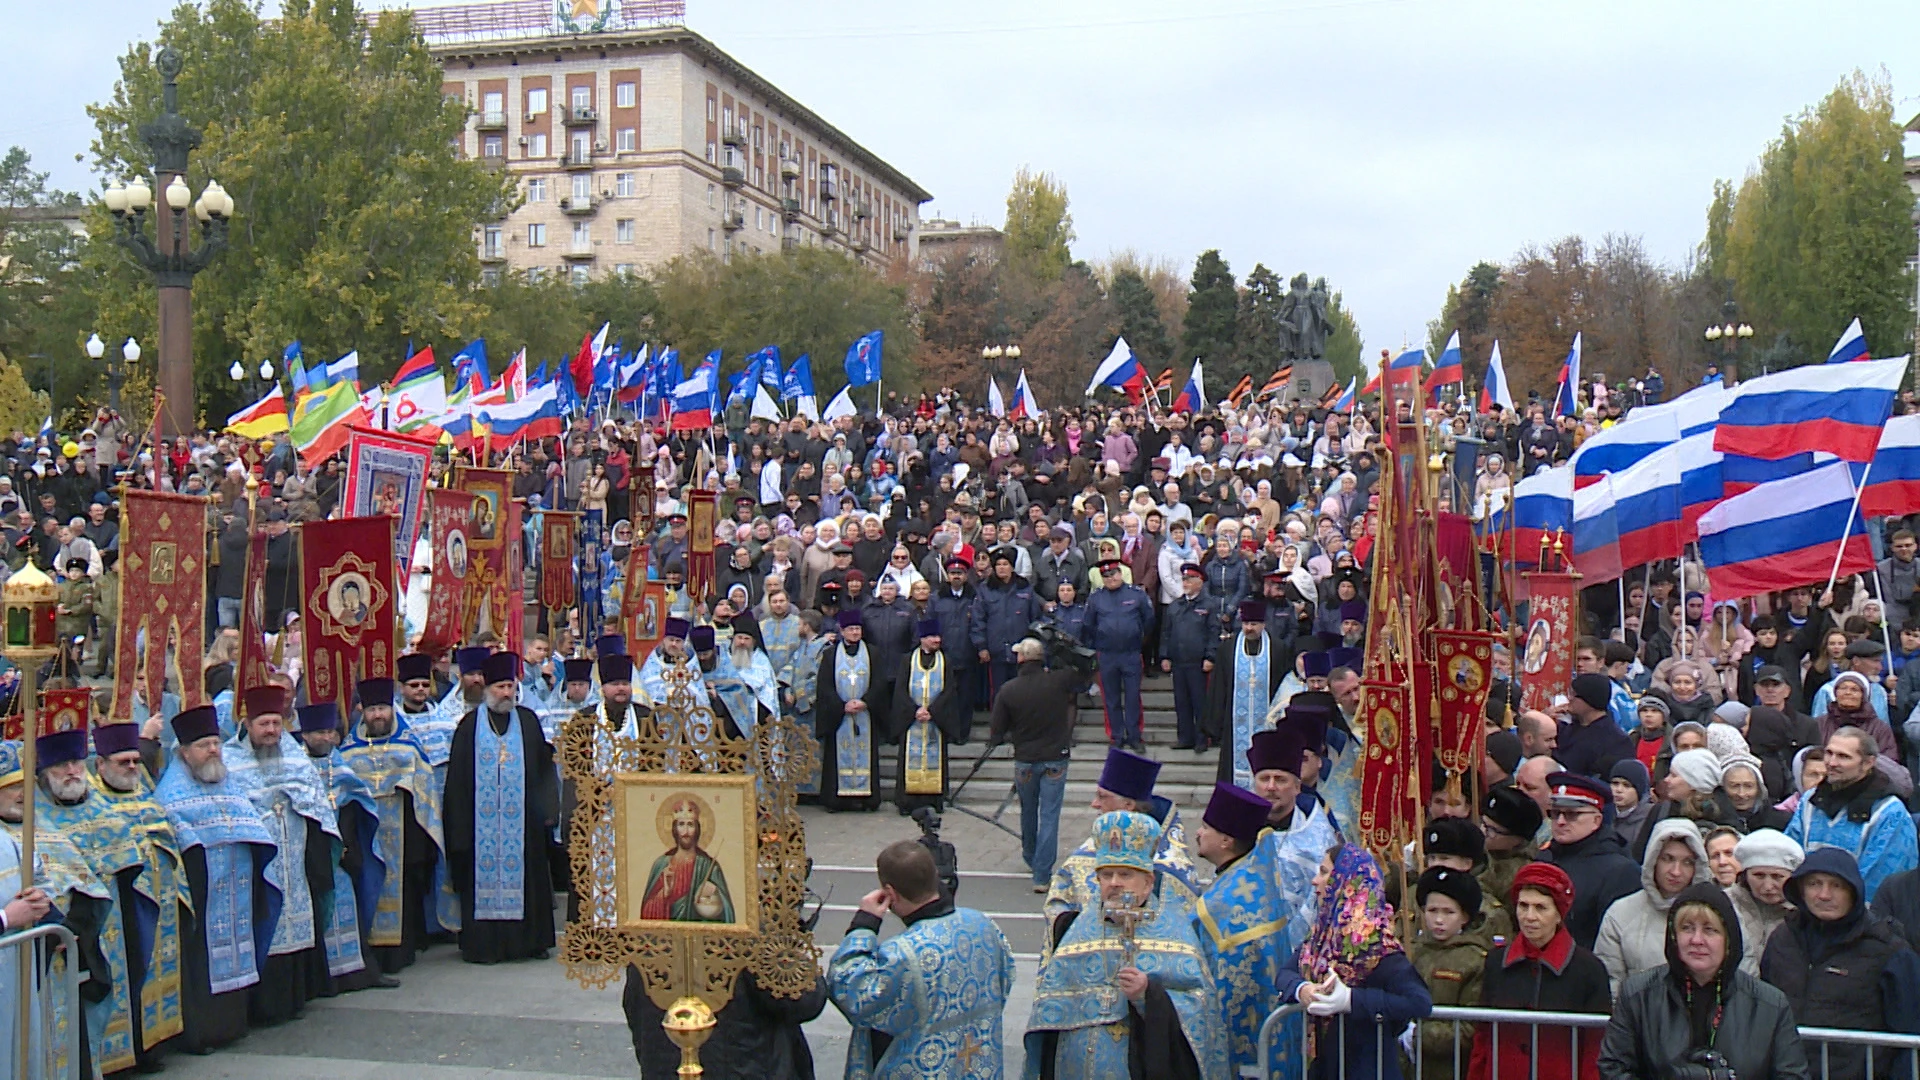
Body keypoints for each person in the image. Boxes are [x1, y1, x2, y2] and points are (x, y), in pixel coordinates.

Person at [1024, 810, 1228, 1078]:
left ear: (1148, 882)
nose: (1115, 883)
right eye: (1106, 875)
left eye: (1125, 874)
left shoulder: (1177, 936)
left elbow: (1200, 1011)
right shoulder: (1078, 933)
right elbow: (1047, 1012)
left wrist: (1148, 996)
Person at [826, 839, 1015, 1078]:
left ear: (890, 893)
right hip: (977, 1066)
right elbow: (1005, 979)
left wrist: (864, 925)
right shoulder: (984, 925)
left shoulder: (903, 954)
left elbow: (849, 989)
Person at [153, 703, 282, 1053]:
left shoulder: (228, 782)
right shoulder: (171, 793)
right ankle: (200, 1032)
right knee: (200, 959)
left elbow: (252, 820)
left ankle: (233, 1023)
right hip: (202, 891)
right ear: (183, 753)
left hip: (237, 885)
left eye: (216, 743)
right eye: (203, 745)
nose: (213, 750)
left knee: (239, 948)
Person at [1599, 882, 1808, 1080]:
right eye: (1687, 928)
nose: (1696, 940)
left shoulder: (1769, 1004)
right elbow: (1614, 1067)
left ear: (1728, 939)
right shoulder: (1638, 995)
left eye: (1710, 930)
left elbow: (1791, 1074)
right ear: (1673, 936)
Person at [222, 685, 344, 1024]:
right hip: (259, 861)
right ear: (247, 723)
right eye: (264, 724)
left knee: (296, 921)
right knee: (266, 923)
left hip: (295, 855)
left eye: (276, 723)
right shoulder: (230, 761)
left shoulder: (295, 756)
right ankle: (263, 1004)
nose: (272, 731)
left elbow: (315, 801)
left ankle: (296, 997)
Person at [1760, 847, 1920, 1080]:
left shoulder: (1888, 950)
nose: (1824, 895)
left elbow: (1910, 1033)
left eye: (1837, 885)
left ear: (1854, 891)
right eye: (1814, 883)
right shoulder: (1783, 939)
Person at [442, 651, 560, 964]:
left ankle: (529, 943)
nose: (506, 693)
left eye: (510, 686)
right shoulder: (468, 727)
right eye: (499, 687)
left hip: (524, 826)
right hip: (479, 831)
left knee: (528, 878)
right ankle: (485, 946)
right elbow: (456, 784)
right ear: (487, 690)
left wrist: (550, 810)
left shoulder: (528, 722)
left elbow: (545, 769)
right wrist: (457, 829)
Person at [1279, 844, 1433, 1080]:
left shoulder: (1377, 945)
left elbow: (1418, 1002)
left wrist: (1351, 1000)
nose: (1315, 881)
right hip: (1325, 1066)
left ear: (1346, 882)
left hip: (1367, 1068)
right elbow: (1286, 973)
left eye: (1324, 872)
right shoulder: (1322, 935)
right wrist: (1303, 989)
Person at [335, 670, 446, 974]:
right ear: (364, 713)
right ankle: (372, 952)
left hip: (403, 830)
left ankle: (402, 952)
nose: (378, 715)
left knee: (404, 887)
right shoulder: (348, 751)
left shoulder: (409, 747)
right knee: (369, 886)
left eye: (383, 709)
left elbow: (425, 794)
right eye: (372, 710)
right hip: (365, 831)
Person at [1191, 781, 1299, 1076]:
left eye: (1205, 828)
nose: (1198, 833)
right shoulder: (1255, 880)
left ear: (1226, 840)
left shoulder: (1223, 903)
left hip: (1238, 1041)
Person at [1468, 862, 1611, 1080]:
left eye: (1541, 908)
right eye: (1523, 906)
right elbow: (1483, 1037)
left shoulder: (1588, 969)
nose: (1529, 916)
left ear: (1559, 914)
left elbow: (1594, 1048)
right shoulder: (1497, 962)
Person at [1045, 748, 1200, 933]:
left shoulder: (1171, 865)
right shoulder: (1090, 848)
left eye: (1102, 796)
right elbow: (1059, 906)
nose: (1094, 804)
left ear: (1128, 805)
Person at [989, 637, 1090, 892]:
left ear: (1020, 659)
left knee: (1028, 810)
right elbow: (1084, 672)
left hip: (1025, 758)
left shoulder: (1009, 689)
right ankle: (1042, 874)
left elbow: (996, 731)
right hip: (1055, 756)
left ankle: (1031, 856)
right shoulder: (1058, 681)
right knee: (1050, 815)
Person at [1784, 726, 1918, 902]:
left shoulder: (1890, 813)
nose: (1831, 763)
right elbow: (1790, 853)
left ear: (1868, 763)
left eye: (1843, 756)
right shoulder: (1810, 800)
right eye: (1829, 753)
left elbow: (1880, 880)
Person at [1595, 817, 1711, 996]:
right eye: (1668, 859)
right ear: (1653, 860)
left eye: (1687, 862)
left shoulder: (1717, 912)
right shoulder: (1620, 913)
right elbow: (1610, 981)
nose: (1676, 871)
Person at [1536, 772, 1642, 950]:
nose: (1560, 821)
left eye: (1571, 814)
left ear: (1596, 820)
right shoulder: (1543, 858)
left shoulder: (1620, 871)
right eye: (1555, 813)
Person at [1407, 865, 1493, 1080]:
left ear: (1464, 917)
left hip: (1451, 1070)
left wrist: (1417, 1035)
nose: (1438, 920)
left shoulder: (1475, 960)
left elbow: (1470, 1028)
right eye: (1432, 911)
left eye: (1449, 912)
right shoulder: (1410, 951)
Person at [888, 618, 970, 814]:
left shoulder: (945, 661)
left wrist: (932, 711)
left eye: (938, 636)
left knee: (935, 757)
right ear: (922, 638)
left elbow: (949, 690)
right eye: (932, 636)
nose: (937, 640)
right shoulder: (908, 660)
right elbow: (900, 689)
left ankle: (934, 800)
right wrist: (914, 710)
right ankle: (908, 801)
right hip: (912, 720)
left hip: (935, 719)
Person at [1208, 599, 1290, 789]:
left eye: (1253, 624)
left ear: (1263, 624)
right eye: (1246, 624)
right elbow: (1219, 686)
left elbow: (1283, 687)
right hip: (1235, 724)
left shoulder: (1277, 649)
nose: (1249, 628)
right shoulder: (1228, 649)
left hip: (1268, 724)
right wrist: (1215, 721)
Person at [1081, 555, 1155, 751]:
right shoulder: (1096, 598)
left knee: (1132, 697)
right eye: (1105, 576)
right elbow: (1088, 625)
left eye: (1113, 574)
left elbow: (1149, 621)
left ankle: (1134, 736)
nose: (1110, 578)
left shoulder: (1136, 594)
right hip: (1107, 654)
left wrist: (1139, 641)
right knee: (1111, 698)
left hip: (1131, 653)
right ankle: (1116, 736)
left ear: (1120, 574)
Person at [814, 610, 882, 813]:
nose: (855, 632)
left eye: (858, 628)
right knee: (837, 755)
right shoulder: (830, 654)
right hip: (840, 715)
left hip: (865, 714)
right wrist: (841, 705)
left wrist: (865, 702)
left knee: (866, 753)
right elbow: (824, 685)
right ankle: (837, 800)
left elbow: (879, 682)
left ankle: (866, 798)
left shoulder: (872, 653)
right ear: (842, 631)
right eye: (851, 629)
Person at [1158, 562, 1219, 752]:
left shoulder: (1209, 605)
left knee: (1199, 702)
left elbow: (1213, 633)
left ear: (1200, 581)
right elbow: (1166, 633)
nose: (1186, 583)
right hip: (1179, 661)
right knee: (1181, 702)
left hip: (1198, 662)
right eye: (1184, 579)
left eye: (1190, 579)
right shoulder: (1176, 605)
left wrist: (1210, 656)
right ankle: (1185, 737)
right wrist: (1164, 655)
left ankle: (1202, 739)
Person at [1728, 829, 1803, 976]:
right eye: (1759, 876)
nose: (1768, 886)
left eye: (1777, 877)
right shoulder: (1726, 904)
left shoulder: (1804, 914)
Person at [1480, 785, 1544, 908]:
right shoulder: (1476, 848)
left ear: (1517, 839)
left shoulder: (1521, 875)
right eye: (1483, 823)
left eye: (1493, 830)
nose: (1483, 832)